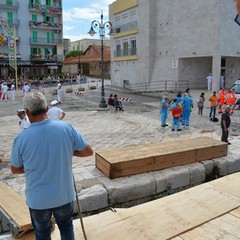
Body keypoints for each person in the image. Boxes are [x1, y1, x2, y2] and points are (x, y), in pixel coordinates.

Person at [11, 92, 93, 240]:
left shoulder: (21, 138)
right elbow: (88, 152)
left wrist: (33, 164)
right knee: (67, 228)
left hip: (38, 200)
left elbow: (15, 169)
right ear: (47, 109)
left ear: (27, 113)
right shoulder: (66, 128)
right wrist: (66, 151)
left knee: (42, 233)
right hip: (64, 195)